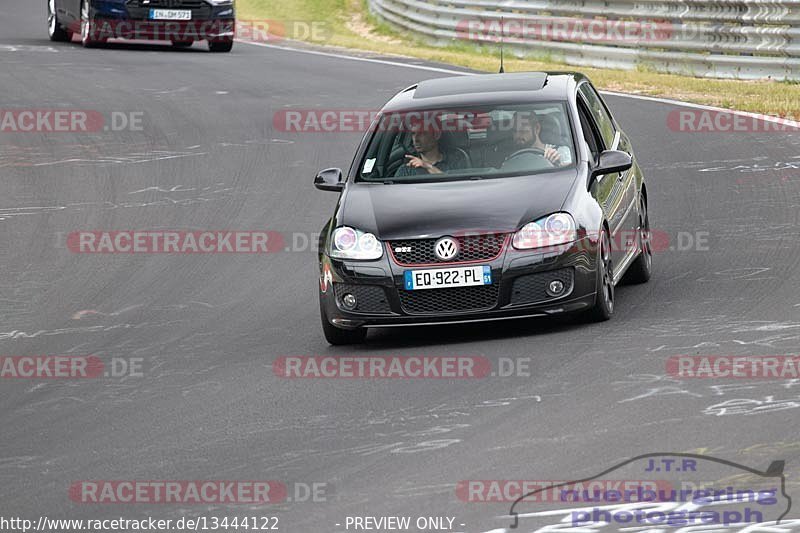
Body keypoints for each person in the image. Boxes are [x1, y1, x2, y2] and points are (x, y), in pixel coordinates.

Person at [394, 119, 466, 176]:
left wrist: (428, 166)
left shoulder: (456, 161)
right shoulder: (407, 169)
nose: (416, 139)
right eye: (413, 133)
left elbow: (458, 187)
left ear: (436, 135)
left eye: (422, 133)